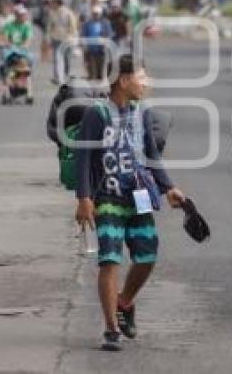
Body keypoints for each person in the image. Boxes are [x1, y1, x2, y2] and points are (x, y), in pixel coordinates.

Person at [74, 54, 186, 352]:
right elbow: (83, 159)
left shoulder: (143, 113)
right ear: (123, 81)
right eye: (141, 77)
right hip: (107, 199)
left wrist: (169, 187)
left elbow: (151, 156)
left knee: (146, 258)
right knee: (109, 260)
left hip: (139, 197)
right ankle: (111, 329)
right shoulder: (97, 114)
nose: (146, 83)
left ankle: (124, 301)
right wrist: (84, 198)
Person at [46, 0, 78, 84]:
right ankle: (57, 77)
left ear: (58, 3)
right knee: (57, 58)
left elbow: (73, 26)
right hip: (56, 38)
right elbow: (49, 26)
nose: (51, 5)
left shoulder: (68, 13)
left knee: (67, 58)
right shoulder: (52, 13)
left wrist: (72, 37)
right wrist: (48, 36)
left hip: (67, 39)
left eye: (53, 3)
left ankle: (66, 75)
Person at [82, 5, 114, 81]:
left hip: (101, 47)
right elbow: (84, 34)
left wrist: (105, 40)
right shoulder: (87, 23)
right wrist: (84, 44)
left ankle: (100, 77)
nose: (95, 15)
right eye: (94, 14)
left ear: (100, 14)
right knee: (91, 65)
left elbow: (109, 33)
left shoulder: (105, 22)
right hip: (91, 47)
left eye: (97, 14)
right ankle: (92, 76)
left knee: (101, 64)